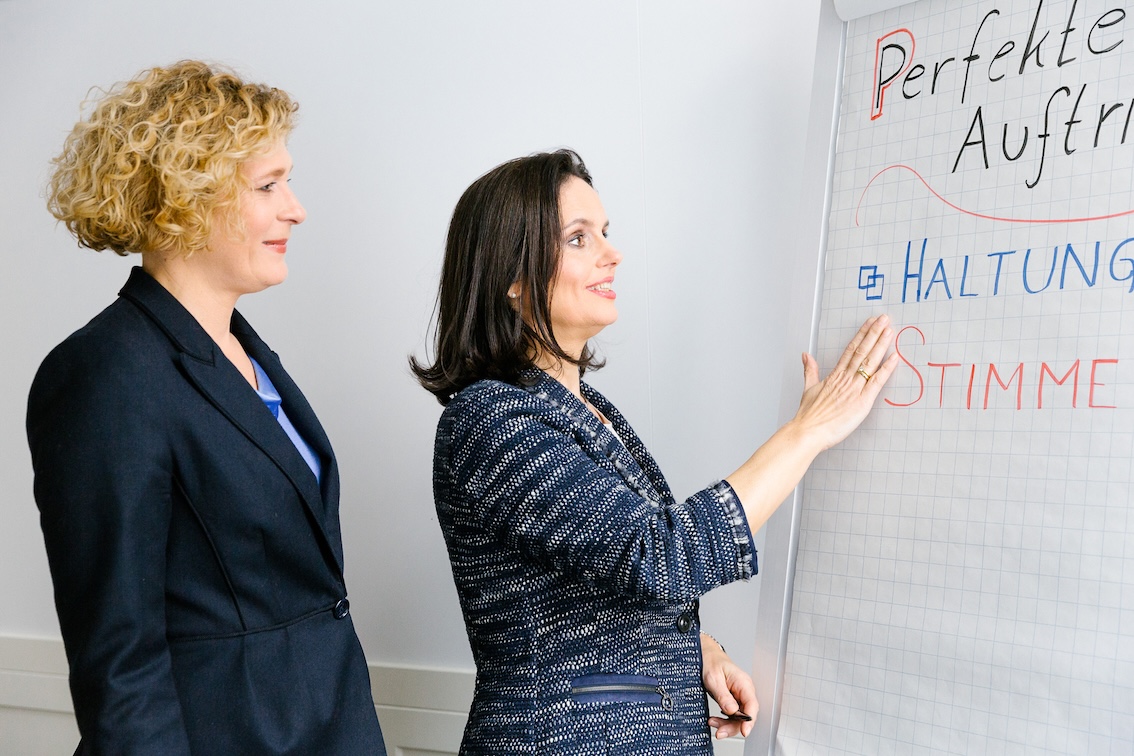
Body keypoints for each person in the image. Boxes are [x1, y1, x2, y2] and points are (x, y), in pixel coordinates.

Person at [411, 149, 897, 754]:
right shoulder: (490, 417)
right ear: (511, 276)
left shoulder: (590, 410)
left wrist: (696, 649)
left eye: (606, 233)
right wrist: (806, 432)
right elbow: (656, 553)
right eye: (579, 238)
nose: (612, 253)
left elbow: (605, 578)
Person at [27, 61, 386, 755]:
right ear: (187, 195)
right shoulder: (105, 373)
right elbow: (119, 657)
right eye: (268, 185)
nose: (296, 207)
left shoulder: (248, 353)